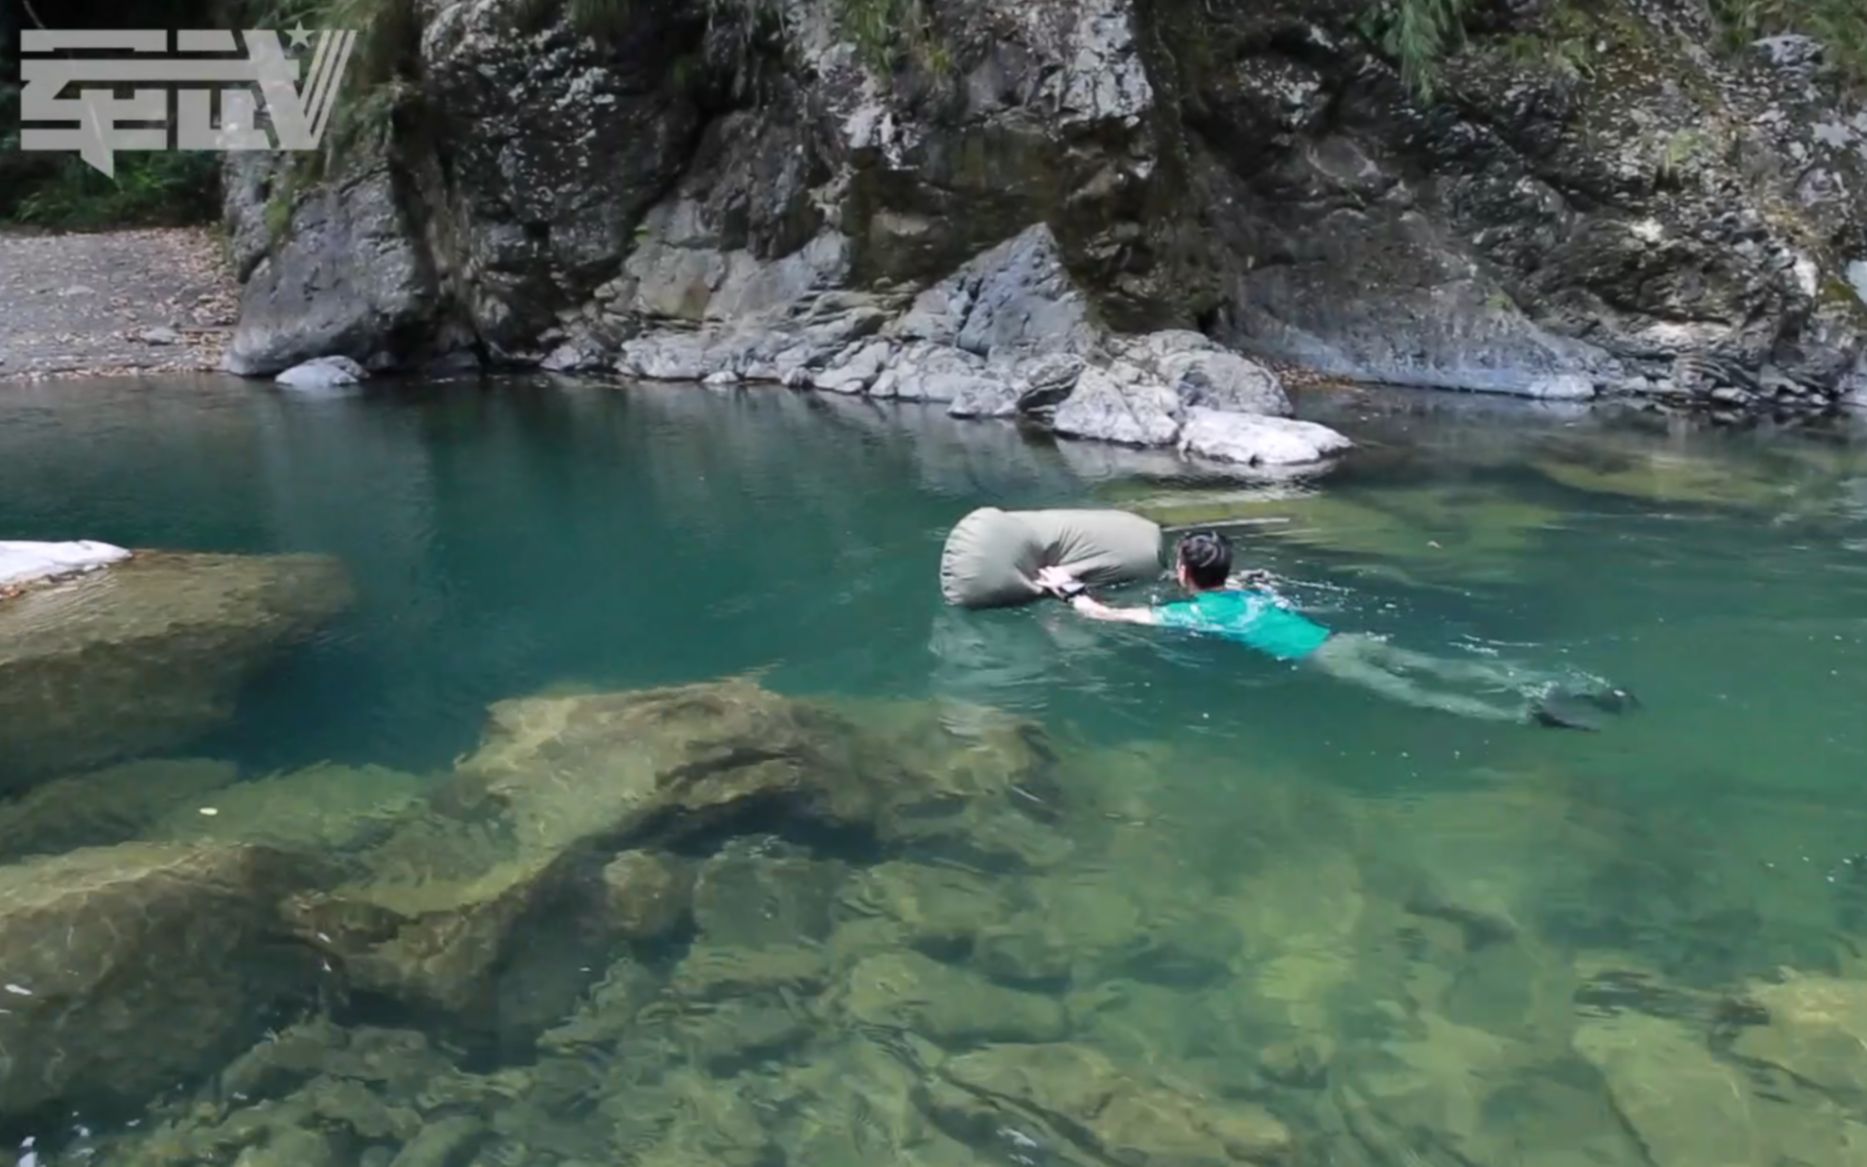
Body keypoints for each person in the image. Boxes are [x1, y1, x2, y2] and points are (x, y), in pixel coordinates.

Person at [1035, 530, 1632, 728]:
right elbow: (1266, 594)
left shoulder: (1188, 613)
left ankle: (1522, 715)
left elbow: (1107, 617)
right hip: (1344, 639)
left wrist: (1070, 589)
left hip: (1327, 662)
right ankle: (1582, 687)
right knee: (1450, 667)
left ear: (1185, 572)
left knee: (1418, 694)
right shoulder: (1246, 592)